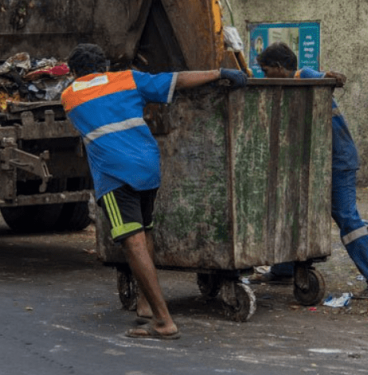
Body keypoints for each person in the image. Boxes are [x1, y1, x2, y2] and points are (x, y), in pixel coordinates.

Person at [60, 43, 247, 339]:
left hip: (114, 174)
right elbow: (178, 79)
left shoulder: (69, 97)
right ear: (105, 67)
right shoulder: (128, 79)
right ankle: (145, 304)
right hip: (147, 167)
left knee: (132, 243)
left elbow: (83, 99)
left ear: (73, 72)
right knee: (145, 231)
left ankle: (163, 321)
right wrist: (221, 72)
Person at [252, 42, 368, 299]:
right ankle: (284, 269)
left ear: (278, 67)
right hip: (317, 161)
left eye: (266, 70)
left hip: (338, 160)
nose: (264, 76)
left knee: (347, 218)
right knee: (293, 210)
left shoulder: (303, 76)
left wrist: (330, 76)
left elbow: (326, 78)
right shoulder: (285, 88)